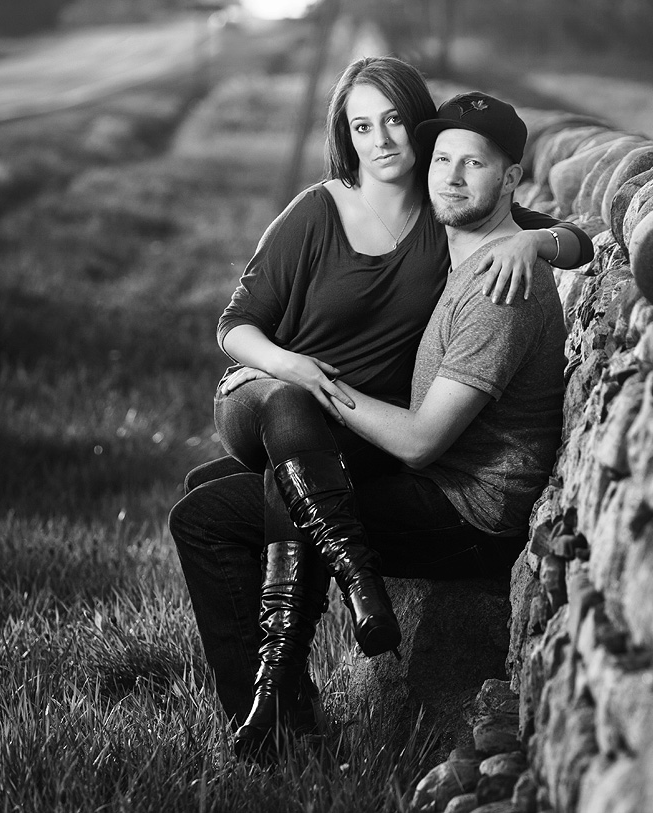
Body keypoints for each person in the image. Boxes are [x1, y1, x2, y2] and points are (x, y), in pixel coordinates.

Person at [170, 55, 591, 759]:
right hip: (291, 405)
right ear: (348, 134)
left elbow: (577, 240)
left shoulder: (474, 247)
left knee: (214, 508)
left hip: (438, 483)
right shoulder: (325, 211)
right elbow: (235, 323)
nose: (383, 140)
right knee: (256, 468)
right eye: (363, 126)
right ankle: (324, 627)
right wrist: (295, 369)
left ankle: (276, 704)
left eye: (395, 120)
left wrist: (535, 239)